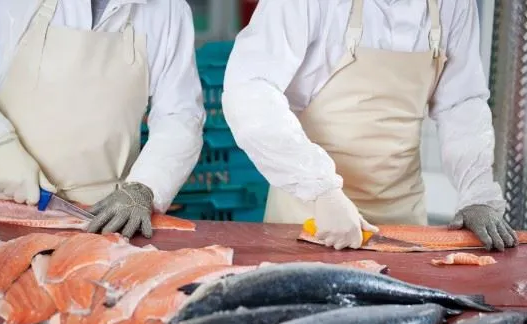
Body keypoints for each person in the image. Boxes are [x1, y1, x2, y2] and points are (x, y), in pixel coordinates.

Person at [222, 0, 518, 251]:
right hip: (310, 214)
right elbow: (250, 89)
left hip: (402, 217)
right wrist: (320, 191)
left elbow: (460, 103)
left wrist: (477, 191)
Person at [0, 0, 205, 239]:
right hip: (3, 208)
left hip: (104, 222)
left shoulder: (168, 9)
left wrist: (145, 186)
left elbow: (179, 115)